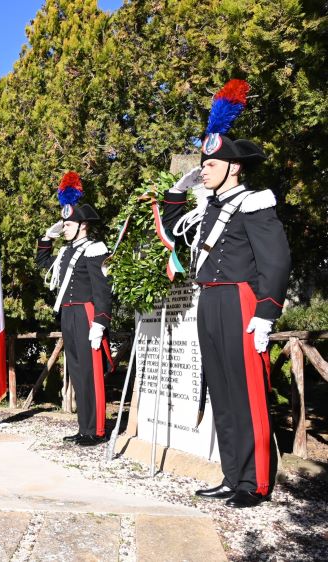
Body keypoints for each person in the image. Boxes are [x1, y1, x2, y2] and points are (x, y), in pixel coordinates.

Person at [161, 81, 290, 508]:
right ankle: (231, 474)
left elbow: (275, 261)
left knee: (247, 391)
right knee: (220, 390)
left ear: (235, 166)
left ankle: (254, 482)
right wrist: (178, 190)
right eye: (204, 162)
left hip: (240, 301)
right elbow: (175, 233)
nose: (205, 168)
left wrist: (266, 312)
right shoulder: (208, 206)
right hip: (209, 300)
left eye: (212, 162)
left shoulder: (254, 202)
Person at [36, 172, 113, 447]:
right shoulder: (67, 251)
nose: (63, 227)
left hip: (87, 314)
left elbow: (102, 287)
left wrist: (101, 321)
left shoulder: (95, 248)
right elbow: (44, 265)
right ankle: (84, 427)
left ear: (82, 225)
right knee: (78, 373)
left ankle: (97, 430)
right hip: (68, 314)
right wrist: (47, 237)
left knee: (92, 374)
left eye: (68, 223)